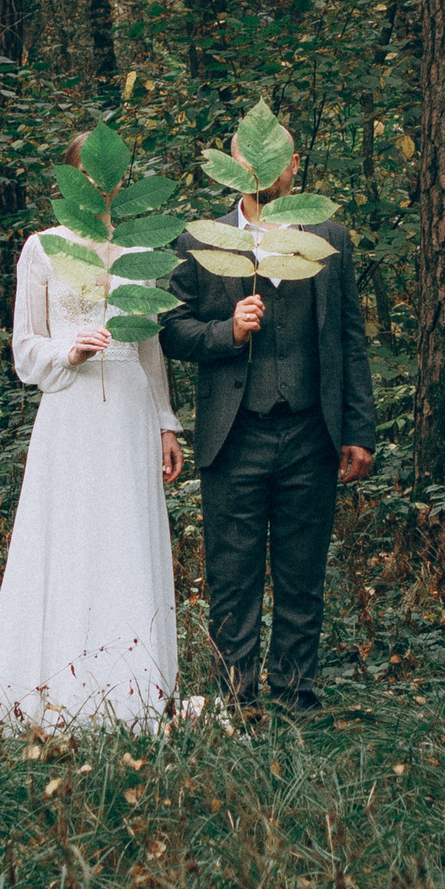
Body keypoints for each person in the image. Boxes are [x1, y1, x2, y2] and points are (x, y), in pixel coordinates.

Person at [0, 136, 185, 733]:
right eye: (90, 174)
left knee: (126, 536)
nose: (102, 185)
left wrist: (166, 422)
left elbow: (151, 347)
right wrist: (70, 349)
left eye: (113, 175)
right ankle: (58, 684)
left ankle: (134, 691)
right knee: (70, 536)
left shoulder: (140, 250)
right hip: (72, 405)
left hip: (131, 409)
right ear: (72, 178)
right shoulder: (44, 249)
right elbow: (24, 346)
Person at [160, 126, 377, 718]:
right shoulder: (201, 241)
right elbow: (171, 329)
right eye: (247, 158)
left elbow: (349, 338)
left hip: (312, 430)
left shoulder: (328, 237)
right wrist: (226, 331)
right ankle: (237, 700)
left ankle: (297, 696)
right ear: (231, 167)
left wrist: (358, 428)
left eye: (276, 157)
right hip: (235, 433)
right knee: (232, 575)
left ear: (292, 165)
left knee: (302, 572)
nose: (263, 168)